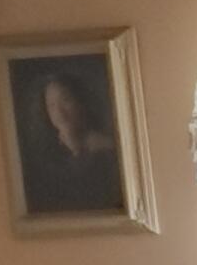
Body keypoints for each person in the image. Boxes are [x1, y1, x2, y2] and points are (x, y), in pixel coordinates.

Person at [19, 64, 125, 216]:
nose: (59, 111)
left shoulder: (108, 146)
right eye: (52, 105)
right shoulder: (45, 153)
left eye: (66, 100)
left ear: (81, 102)